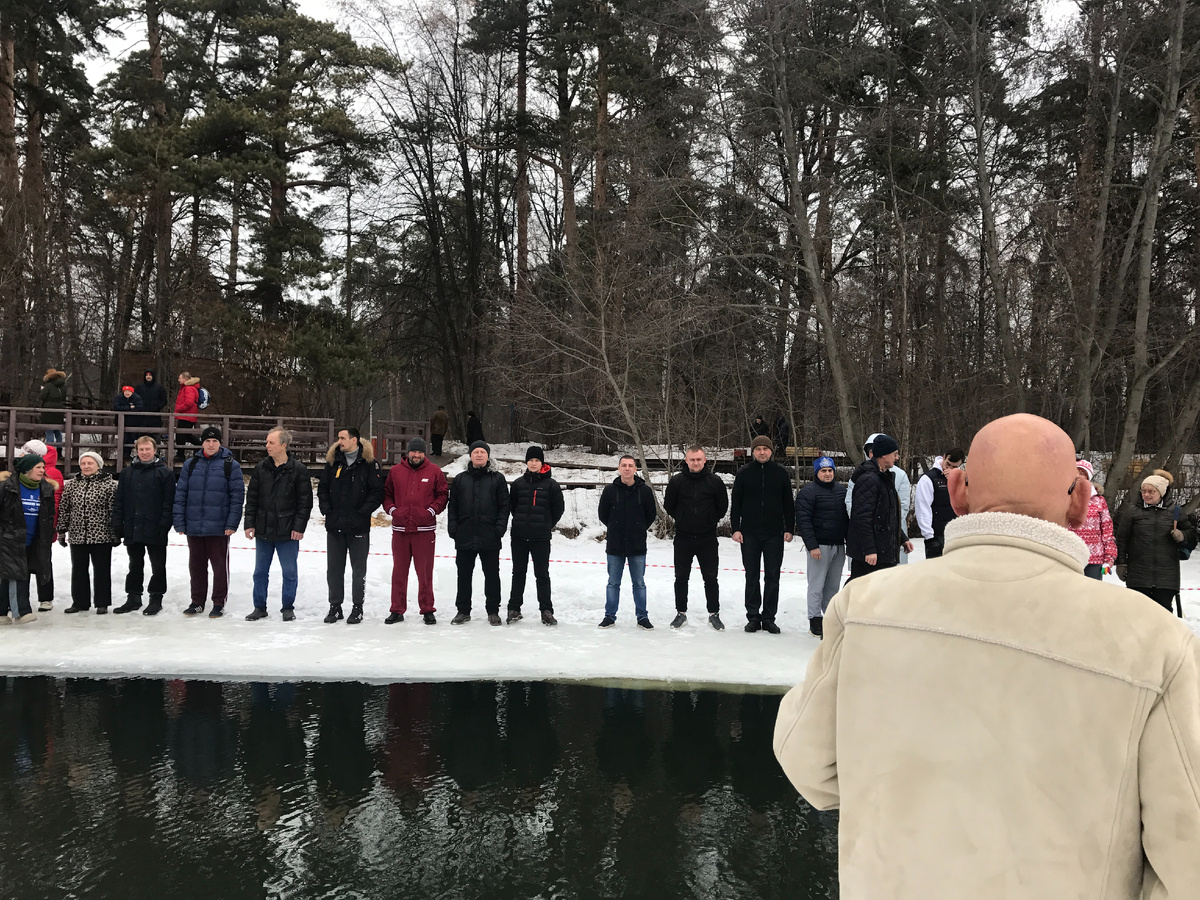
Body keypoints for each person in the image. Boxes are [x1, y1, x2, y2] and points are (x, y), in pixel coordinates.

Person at [773, 413, 1200, 899]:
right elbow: (1188, 855)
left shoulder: (865, 606)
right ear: (1082, 500)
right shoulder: (1156, 642)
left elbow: (806, 761)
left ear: (957, 490)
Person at [173, 425, 245, 617]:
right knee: (196, 566)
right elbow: (181, 493)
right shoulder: (191, 464)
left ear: (220, 443)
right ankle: (197, 601)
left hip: (219, 526)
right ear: (202, 443)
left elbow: (237, 497)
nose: (211, 444)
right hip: (194, 525)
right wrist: (180, 521)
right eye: (207, 441)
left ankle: (218, 602)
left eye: (214, 441)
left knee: (219, 567)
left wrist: (231, 523)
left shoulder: (230, 464)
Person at [244, 427, 313, 621]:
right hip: (263, 529)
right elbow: (252, 499)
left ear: (284, 445)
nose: (267, 446)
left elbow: (305, 502)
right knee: (259, 572)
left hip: (288, 531)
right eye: (266, 442)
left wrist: (299, 527)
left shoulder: (298, 470)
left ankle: (287, 607)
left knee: (289, 572)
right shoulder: (261, 468)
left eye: (271, 442)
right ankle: (259, 607)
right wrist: (249, 523)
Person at [318, 426, 384, 625]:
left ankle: (357, 607)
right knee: (334, 570)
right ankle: (335, 606)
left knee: (358, 570)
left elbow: (377, 493)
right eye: (339, 438)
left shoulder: (369, 465)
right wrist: (326, 509)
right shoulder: (332, 463)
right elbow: (322, 488)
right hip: (335, 526)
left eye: (343, 438)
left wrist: (363, 511)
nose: (339, 441)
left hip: (358, 527)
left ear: (355, 440)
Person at [730, 434, 794, 633]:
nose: (762, 452)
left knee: (773, 576)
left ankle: (769, 618)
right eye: (758, 449)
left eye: (765, 449)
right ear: (753, 452)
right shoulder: (744, 473)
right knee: (752, 575)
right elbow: (736, 503)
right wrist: (735, 528)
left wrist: (789, 528)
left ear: (771, 451)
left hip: (774, 534)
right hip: (749, 533)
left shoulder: (781, 473)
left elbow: (788, 504)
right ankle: (753, 617)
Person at [383, 437, 448, 625]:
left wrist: (431, 510)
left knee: (425, 572)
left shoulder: (434, 471)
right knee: (399, 571)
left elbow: (443, 494)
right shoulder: (396, 471)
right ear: (408, 453)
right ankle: (397, 609)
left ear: (424, 454)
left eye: (420, 452)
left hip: (424, 530)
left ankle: (427, 608)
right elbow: (386, 494)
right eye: (414, 451)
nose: (417, 455)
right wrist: (393, 510)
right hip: (401, 530)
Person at [663, 444, 728, 630]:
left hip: (707, 538)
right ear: (686, 461)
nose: (696, 462)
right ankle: (680, 613)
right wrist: (682, 517)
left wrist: (710, 519)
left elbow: (722, 506)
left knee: (711, 577)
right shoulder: (677, 481)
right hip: (683, 537)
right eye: (692, 459)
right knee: (681, 577)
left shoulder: (715, 481)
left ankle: (714, 613)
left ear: (705, 460)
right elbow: (669, 505)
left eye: (699, 459)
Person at [448, 440, 511, 625]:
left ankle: (493, 611)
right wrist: (453, 529)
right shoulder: (460, 479)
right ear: (470, 455)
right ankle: (463, 610)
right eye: (475, 451)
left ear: (488, 456)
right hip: (465, 534)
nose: (479, 455)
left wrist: (499, 529)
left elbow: (504, 506)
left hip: (489, 535)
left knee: (492, 575)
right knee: (464, 575)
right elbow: (453, 507)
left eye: (483, 452)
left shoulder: (497, 478)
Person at [1115, 469, 1195, 613]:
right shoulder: (1132, 511)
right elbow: (1122, 539)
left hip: (1166, 577)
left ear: (1162, 492)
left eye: (1151, 492)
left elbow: (1192, 535)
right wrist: (1121, 563)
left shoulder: (1175, 512)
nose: (1146, 494)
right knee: (1137, 614)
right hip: (1138, 575)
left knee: (1163, 617)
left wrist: (1182, 535)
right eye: (1143, 491)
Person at [112, 436, 175, 615]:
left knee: (158, 565)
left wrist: (164, 525)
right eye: (141, 449)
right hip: (133, 526)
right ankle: (133, 597)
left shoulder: (165, 473)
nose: (145, 453)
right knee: (134, 564)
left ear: (155, 450)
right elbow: (120, 500)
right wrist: (118, 523)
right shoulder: (127, 473)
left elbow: (168, 502)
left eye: (148, 449)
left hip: (156, 527)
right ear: (136, 451)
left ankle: (156, 598)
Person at [598, 455, 658, 629]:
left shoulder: (644, 491)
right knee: (613, 583)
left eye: (630, 465)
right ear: (618, 468)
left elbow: (650, 515)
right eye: (624, 465)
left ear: (635, 469)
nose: (627, 468)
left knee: (639, 583)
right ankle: (609, 616)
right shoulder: (610, 490)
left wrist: (638, 528)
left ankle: (642, 617)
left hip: (637, 545)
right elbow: (603, 514)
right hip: (615, 545)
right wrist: (615, 527)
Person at [507, 445, 565, 626]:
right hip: (519, 537)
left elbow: (558, 509)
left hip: (540, 538)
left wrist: (547, 525)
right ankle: (514, 608)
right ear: (526, 462)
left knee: (542, 574)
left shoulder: (551, 485)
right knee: (518, 573)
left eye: (537, 460)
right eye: (531, 460)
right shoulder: (517, 484)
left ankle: (546, 610)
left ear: (542, 463)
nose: (533, 463)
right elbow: (512, 507)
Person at [58, 449, 119, 614]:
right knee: (78, 570)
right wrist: (62, 530)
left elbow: (113, 511)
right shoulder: (72, 485)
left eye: (90, 463)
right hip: (77, 535)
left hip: (101, 535)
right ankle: (80, 602)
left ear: (98, 465)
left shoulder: (109, 485)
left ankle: (102, 602)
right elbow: (65, 509)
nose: (86, 466)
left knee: (101, 570)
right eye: (83, 463)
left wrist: (115, 534)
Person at [846, 433, 912, 580]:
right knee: (860, 592)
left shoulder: (884, 477)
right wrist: (869, 550)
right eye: (894, 454)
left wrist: (902, 538)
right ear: (883, 456)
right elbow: (862, 518)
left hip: (882, 551)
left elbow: (887, 515)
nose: (897, 457)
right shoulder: (869, 479)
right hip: (871, 554)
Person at [794, 455, 847, 637]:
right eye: (823, 471)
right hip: (819, 546)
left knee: (833, 586)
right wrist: (812, 545)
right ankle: (815, 620)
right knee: (816, 585)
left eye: (830, 470)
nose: (827, 474)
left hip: (838, 545)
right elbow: (803, 521)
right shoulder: (808, 492)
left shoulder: (841, 491)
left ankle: (831, 619)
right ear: (817, 473)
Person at [0, 453, 56, 623]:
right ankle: (22, 611)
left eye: (43, 467)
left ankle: (3, 611)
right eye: (38, 467)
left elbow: (49, 514)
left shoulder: (45, 488)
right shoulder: (7, 487)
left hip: (34, 539)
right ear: (27, 470)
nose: (42, 471)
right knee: (17, 573)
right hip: (10, 537)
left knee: (12, 573)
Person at [19, 439, 62, 611]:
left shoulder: (52, 473)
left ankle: (46, 597)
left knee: (43, 562)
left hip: (43, 525)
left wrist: (52, 524)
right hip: (23, 526)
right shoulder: (22, 469)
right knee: (22, 563)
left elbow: (55, 500)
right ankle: (21, 600)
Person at [1069, 459, 1117, 580]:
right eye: (1076, 472)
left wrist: (1109, 558)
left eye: (1083, 473)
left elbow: (1107, 530)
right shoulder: (1065, 497)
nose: (1078, 476)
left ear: (1088, 477)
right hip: (1070, 556)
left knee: (1091, 596)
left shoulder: (1099, 500)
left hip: (1094, 559)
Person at [913, 448, 964, 559]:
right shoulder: (928, 479)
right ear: (944, 457)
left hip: (958, 534)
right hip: (937, 535)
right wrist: (929, 537)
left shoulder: (962, 479)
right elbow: (923, 509)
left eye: (954, 467)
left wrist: (959, 478)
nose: (949, 469)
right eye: (948, 464)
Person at [174, 372, 201, 458]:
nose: (178, 380)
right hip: (188, 415)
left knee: (181, 435)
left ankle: (180, 454)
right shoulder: (189, 388)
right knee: (187, 435)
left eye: (180, 378)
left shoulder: (188, 388)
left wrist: (178, 408)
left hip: (186, 416)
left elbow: (189, 402)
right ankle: (202, 447)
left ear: (185, 379)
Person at [133, 368, 168, 434]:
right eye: (147, 375)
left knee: (155, 437)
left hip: (155, 416)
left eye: (150, 375)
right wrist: (138, 408)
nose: (148, 377)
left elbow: (164, 400)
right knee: (142, 438)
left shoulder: (159, 388)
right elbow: (134, 399)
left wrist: (157, 407)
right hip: (141, 417)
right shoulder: (139, 387)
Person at [112, 384, 144, 454]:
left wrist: (123, 408)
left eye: (129, 391)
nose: (127, 393)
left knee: (130, 439)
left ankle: (127, 455)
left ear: (132, 392)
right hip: (120, 422)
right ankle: (120, 456)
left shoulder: (137, 398)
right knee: (122, 439)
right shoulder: (118, 397)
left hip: (133, 422)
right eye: (125, 391)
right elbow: (116, 408)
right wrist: (129, 407)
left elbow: (139, 408)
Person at [39, 368, 67, 447]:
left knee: (49, 431)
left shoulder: (48, 385)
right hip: (59, 409)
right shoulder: (63, 385)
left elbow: (42, 396)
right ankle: (59, 450)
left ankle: (50, 450)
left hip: (48, 410)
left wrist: (42, 390)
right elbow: (64, 397)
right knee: (58, 431)